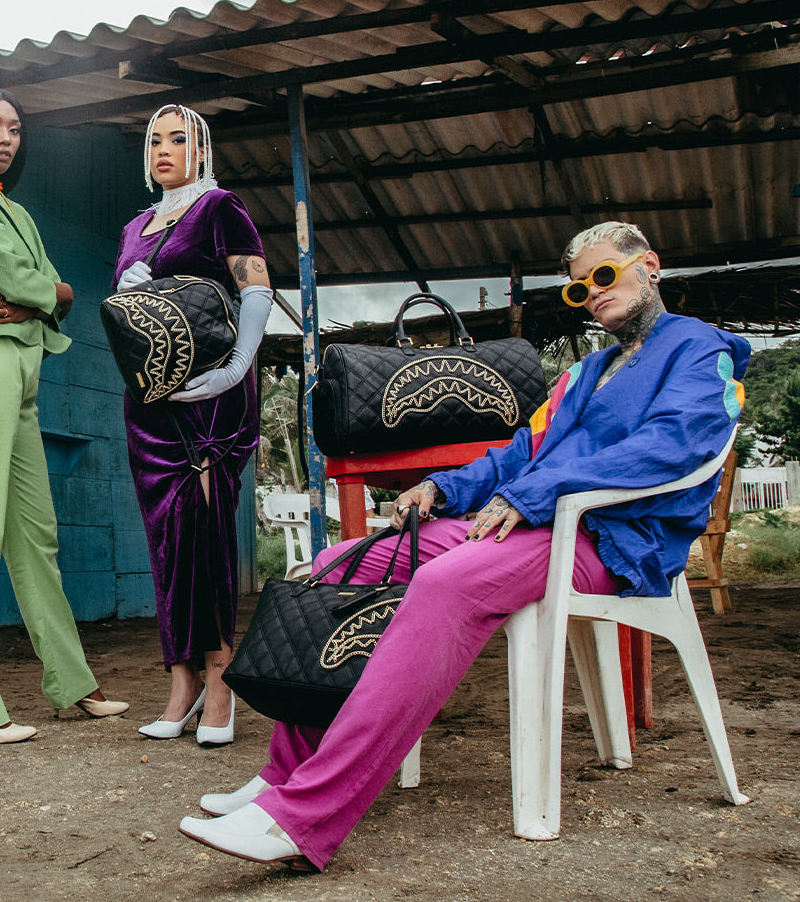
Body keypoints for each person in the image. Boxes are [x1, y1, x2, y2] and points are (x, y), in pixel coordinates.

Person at [178, 221, 749, 870]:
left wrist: (535, 494)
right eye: (578, 288)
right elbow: (521, 452)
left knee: (447, 583)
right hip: (537, 523)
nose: (592, 292)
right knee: (341, 565)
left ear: (649, 265)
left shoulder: (699, 349)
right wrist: (444, 488)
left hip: (615, 539)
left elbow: (672, 447)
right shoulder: (588, 373)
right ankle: (284, 775)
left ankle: (303, 817)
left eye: (604, 276)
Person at [0, 87, 127, 743]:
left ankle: (71, 682)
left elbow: (50, 288)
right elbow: (28, 281)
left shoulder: (13, 208)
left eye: (15, 129)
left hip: (22, 368)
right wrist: (47, 294)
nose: (6, 138)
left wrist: (46, 295)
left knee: (35, 534)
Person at [111, 105, 274, 746]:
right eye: (155, 139)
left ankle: (220, 678)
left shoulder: (219, 208)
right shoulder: (134, 227)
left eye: (178, 139)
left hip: (209, 395)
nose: (164, 149)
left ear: (201, 149)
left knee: (205, 536)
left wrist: (238, 366)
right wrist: (127, 287)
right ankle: (181, 683)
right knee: (166, 541)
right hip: (150, 399)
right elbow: (126, 318)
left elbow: (256, 289)